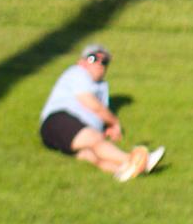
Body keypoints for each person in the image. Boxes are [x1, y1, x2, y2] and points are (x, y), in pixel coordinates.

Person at [38, 44, 164, 181]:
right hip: (59, 121)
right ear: (81, 61)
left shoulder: (102, 87)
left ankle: (126, 172)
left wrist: (107, 127)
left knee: (93, 156)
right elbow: (91, 103)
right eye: (93, 58)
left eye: (104, 62)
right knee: (95, 140)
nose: (99, 64)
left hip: (70, 131)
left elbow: (98, 112)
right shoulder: (77, 72)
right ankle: (137, 160)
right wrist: (114, 122)